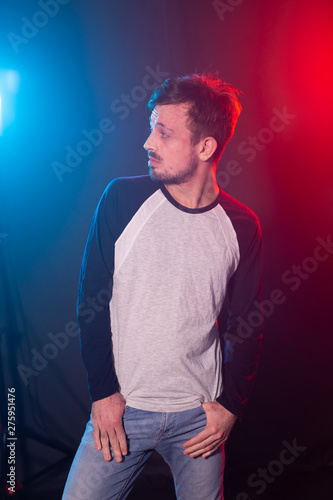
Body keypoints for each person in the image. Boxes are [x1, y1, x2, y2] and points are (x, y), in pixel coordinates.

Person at [62, 74, 263, 500]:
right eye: (152, 126)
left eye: (164, 132)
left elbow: (248, 323)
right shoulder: (122, 199)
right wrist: (103, 394)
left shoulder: (243, 226)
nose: (148, 142)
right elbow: (91, 304)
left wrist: (231, 406)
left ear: (206, 147)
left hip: (199, 418)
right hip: (124, 408)